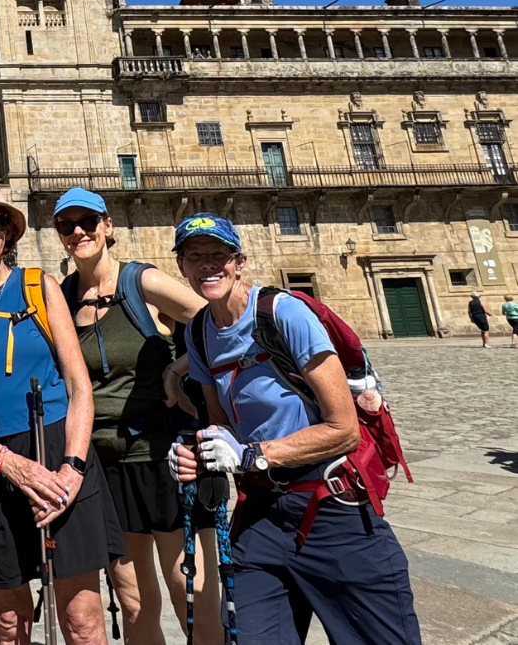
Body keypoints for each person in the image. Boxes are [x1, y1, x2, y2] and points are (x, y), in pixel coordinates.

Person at [169, 213, 422, 645]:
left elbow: (344, 430)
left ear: (240, 261)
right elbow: (221, 426)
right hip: (262, 516)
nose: (207, 266)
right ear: (182, 268)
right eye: (195, 257)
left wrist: (252, 454)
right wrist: (199, 454)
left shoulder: (284, 313)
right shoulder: (197, 333)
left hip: (334, 510)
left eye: (218, 255)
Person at [0, 180, 123, 645]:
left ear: (10, 231)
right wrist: (6, 462)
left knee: (82, 621)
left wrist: (72, 469)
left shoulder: (41, 287)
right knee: (10, 626)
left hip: (57, 450)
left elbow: (79, 387)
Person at [52, 187, 221, 645]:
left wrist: (178, 366)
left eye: (88, 221)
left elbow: (215, 317)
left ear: (108, 226)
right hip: (105, 465)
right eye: (67, 225)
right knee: (133, 600)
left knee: (192, 589)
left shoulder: (140, 281)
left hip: (166, 458)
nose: (79, 232)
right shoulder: (63, 297)